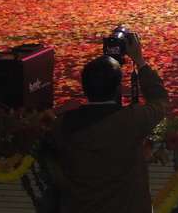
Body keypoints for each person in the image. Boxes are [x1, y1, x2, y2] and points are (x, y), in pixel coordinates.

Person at [50, 31, 169, 213]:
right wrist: (140, 61)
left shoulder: (62, 125)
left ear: (84, 88)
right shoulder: (132, 120)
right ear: (118, 88)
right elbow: (160, 101)